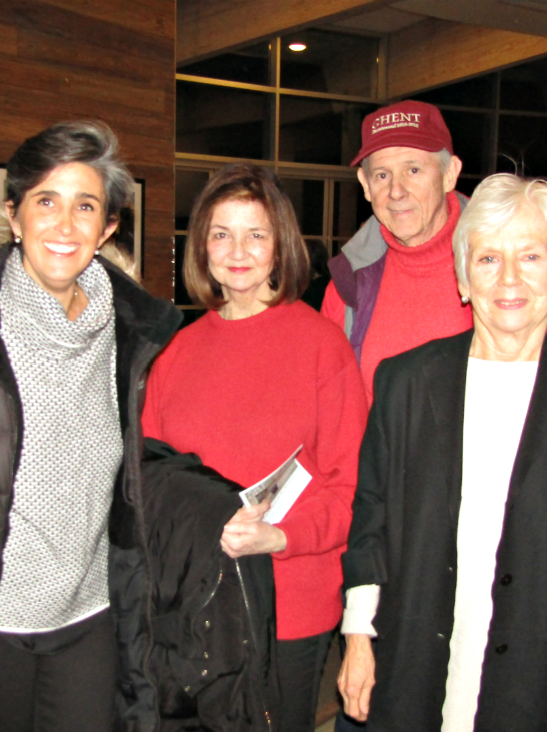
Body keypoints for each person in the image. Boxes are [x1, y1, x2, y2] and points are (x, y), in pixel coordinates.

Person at [0, 121, 188, 732]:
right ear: (13, 215)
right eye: (45, 202)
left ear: (108, 226)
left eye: (84, 206)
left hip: (89, 619)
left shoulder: (131, 333)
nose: (64, 226)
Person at [337, 174, 547, 732]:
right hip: (411, 657)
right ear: (462, 276)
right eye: (487, 259)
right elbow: (372, 517)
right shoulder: (405, 381)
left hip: (538, 671)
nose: (508, 279)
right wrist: (358, 635)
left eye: (530, 255)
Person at [142, 163, 369, 732]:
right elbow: (150, 480)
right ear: (202, 247)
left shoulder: (323, 346)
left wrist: (280, 537)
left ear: (281, 246)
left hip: (288, 605)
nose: (237, 250)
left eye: (256, 234)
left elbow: (352, 487)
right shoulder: (176, 353)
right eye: (221, 234)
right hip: (196, 607)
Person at [323, 100, 547, 403]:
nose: (396, 191)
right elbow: (335, 412)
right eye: (382, 175)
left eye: (413, 170)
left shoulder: (512, 271)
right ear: (366, 185)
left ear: (449, 174)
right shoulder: (348, 286)